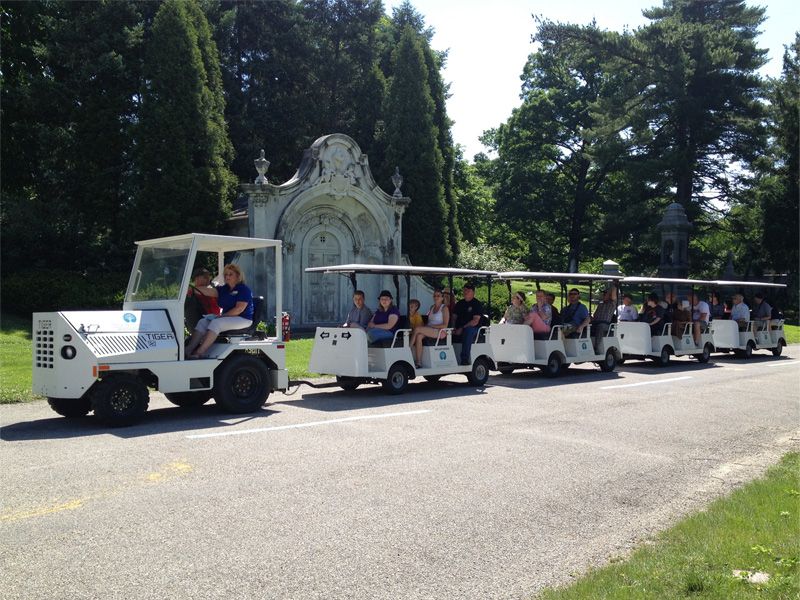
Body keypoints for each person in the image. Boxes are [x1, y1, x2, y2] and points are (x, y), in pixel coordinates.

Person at [185, 264, 253, 359]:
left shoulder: (244, 289)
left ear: (238, 276)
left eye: (230, 274)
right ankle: (188, 350)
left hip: (243, 319)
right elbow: (208, 291)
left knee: (216, 323)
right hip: (228, 317)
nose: (227, 277)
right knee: (203, 322)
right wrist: (189, 289)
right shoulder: (224, 289)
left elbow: (239, 309)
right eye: (226, 274)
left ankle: (199, 352)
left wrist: (222, 316)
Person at [410, 290, 449, 368]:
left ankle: (407, 349)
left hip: (440, 331)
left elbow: (445, 325)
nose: (436, 297)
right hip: (430, 329)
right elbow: (429, 321)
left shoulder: (444, 308)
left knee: (417, 329)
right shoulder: (432, 307)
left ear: (442, 298)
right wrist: (426, 326)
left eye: (438, 296)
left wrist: (432, 326)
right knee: (419, 336)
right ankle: (419, 362)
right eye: (434, 296)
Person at [452, 283, 484, 365]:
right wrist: (453, 327)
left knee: (468, 331)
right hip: (459, 327)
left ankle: (464, 358)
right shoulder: (460, 304)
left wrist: (461, 328)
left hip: (473, 328)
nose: (465, 292)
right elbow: (454, 317)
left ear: (473, 292)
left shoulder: (477, 304)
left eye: (468, 291)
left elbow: (475, 321)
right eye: (464, 290)